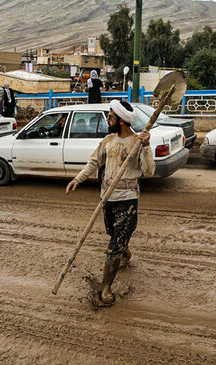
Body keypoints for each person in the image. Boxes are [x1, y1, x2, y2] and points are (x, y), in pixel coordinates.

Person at [66, 100, 154, 308]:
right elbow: (94, 162)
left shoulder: (137, 142)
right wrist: (78, 179)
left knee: (113, 248)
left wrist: (146, 146)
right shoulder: (108, 140)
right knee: (113, 234)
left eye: (111, 117)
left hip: (127, 201)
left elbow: (149, 171)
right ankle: (126, 252)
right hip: (107, 199)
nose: (108, 120)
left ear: (122, 121)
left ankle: (105, 288)